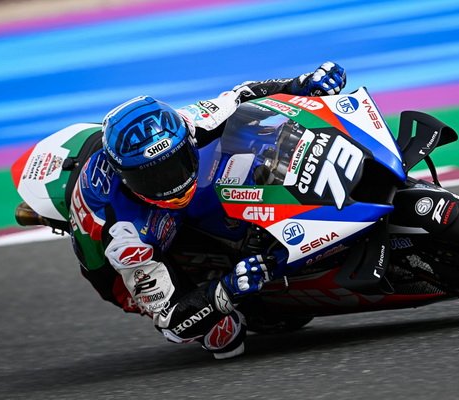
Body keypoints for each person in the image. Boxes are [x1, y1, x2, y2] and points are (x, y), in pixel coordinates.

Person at [69, 62, 346, 359]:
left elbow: (241, 95)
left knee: (244, 137)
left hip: (170, 208)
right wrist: (228, 288)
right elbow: (171, 323)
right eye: (153, 178)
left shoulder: (188, 123)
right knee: (225, 337)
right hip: (115, 267)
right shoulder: (125, 237)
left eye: (176, 164)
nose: (171, 183)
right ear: (126, 178)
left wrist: (299, 84)